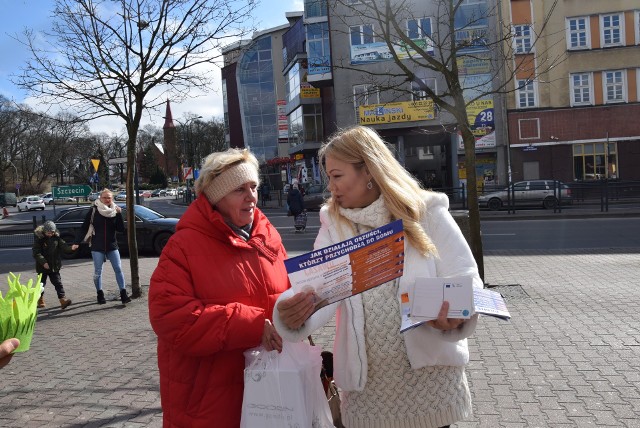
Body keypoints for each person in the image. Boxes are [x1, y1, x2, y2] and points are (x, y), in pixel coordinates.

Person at [273, 126, 483, 428]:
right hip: (369, 393)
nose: (330, 187)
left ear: (369, 170)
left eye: (337, 176)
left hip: (431, 384)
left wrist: (455, 315)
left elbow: (466, 278)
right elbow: (316, 292)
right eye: (329, 177)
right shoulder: (333, 225)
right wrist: (291, 313)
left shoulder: (425, 212)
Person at [148, 148, 289, 428]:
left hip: (271, 392)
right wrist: (251, 325)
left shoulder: (268, 235)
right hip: (210, 403)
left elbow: (286, 291)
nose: (252, 197)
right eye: (239, 189)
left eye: (253, 187)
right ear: (216, 197)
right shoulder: (183, 246)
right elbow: (170, 316)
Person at [77, 188, 131, 305]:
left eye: (109, 197)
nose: (107, 199)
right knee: (98, 271)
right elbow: (84, 227)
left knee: (118, 269)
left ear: (112, 199)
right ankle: (99, 294)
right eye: (105, 197)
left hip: (112, 245)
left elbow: (121, 229)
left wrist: (119, 215)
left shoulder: (115, 210)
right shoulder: (93, 210)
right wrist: (76, 242)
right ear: (100, 198)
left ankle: (123, 293)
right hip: (97, 246)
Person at [32, 220, 79, 309]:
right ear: (44, 231)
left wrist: (71, 248)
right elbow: (36, 253)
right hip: (42, 267)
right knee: (41, 284)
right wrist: (44, 262)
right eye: (48, 232)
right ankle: (40, 299)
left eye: (52, 232)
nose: (50, 234)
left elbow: (64, 247)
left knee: (58, 283)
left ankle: (62, 300)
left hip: (54, 266)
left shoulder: (57, 238)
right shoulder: (39, 240)